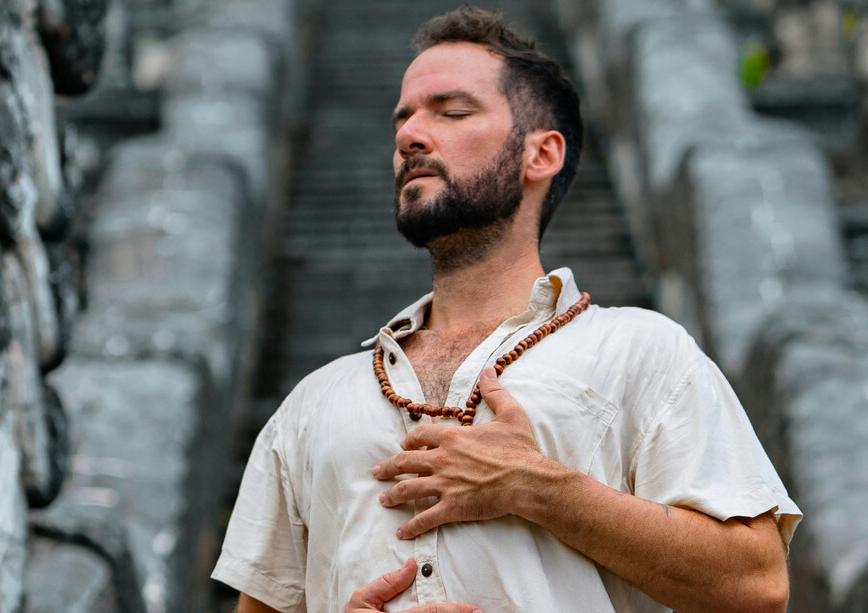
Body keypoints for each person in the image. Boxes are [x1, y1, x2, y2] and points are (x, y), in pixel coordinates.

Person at [212, 6, 802, 613]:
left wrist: (537, 486)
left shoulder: (641, 351)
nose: (409, 134)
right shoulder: (312, 403)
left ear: (540, 154)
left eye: (452, 111)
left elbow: (757, 586)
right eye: (404, 117)